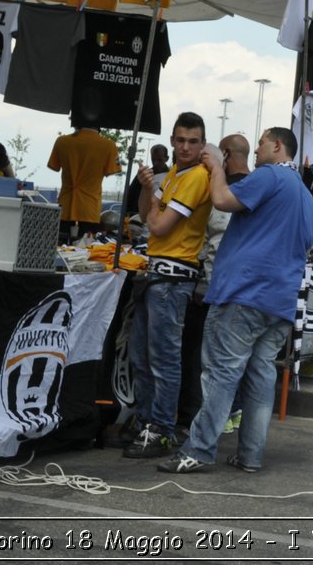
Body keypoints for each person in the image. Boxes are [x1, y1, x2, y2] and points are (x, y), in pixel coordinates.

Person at [158, 126, 313, 474]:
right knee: (260, 378)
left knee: (221, 374)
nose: (257, 150)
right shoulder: (306, 197)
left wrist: (216, 167)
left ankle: (198, 450)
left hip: (244, 293)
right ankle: (250, 456)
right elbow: (305, 246)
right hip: (279, 301)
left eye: (261, 143)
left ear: (277, 146)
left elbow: (222, 201)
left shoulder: (270, 176)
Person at [125, 112, 212, 459]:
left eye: (192, 141)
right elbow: (147, 212)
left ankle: (160, 428)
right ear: (173, 141)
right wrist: (149, 189)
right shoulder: (177, 173)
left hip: (173, 277)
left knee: (162, 358)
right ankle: (148, 423)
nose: (185, 147)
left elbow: (157, 226)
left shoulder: (195, 178)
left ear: (202, 144)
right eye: (180, 140)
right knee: (142, 356)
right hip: (158, 275)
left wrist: (152, 200)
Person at [176, 133, 248, 434]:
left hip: (215, 286)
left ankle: (198, 419)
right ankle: (231, 413)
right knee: (232, 357)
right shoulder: (260, 187)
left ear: (225, 156)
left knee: (201, 356)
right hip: (242, 288)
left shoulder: (224, 192)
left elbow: (214, 242)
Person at [48, 119, 119, 240]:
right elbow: (111, 171)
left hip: (65, 207)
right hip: (89, 210)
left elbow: (54, 166)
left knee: (61, 247)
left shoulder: (62, 141)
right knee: (84, 251)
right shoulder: (109, 145)